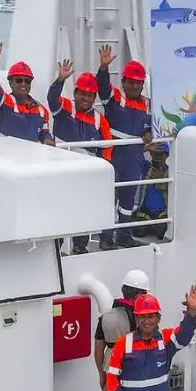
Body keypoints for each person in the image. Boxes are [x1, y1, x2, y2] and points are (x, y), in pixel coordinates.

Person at [47, 65, 117, 252]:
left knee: (83, 209)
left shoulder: (99, 119)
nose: (86, 98)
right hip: (62, 170)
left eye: (90, 95)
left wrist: (103, 168)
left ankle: (80, 245)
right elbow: (51, 99)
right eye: (82, 94)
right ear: (75, 93)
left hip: (86, 174)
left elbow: (107, 145)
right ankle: (57, 244)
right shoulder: (64, 108)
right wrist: (60, 80)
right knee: (61, 208)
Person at [95, 47, 153, 246]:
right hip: (114, 155)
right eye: (131, 82)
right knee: (109, 197)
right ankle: (105, 238)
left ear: (142, 84)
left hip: (134, 157)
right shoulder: (115, 98)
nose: (134, 86)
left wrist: (149, 132)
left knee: (128, 199)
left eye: (138, 83)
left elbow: (153, 125)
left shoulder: (148, 104)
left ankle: (124, 235)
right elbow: (102, 86)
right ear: (123, 82)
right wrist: (103, 67)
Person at [0, 35, 54, 143]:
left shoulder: (41, 110)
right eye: (19, 80)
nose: (23, 83)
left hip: (31, 159)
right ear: (10, 82)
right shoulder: (4, 103)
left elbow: (44, 132)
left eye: (27, 80)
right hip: (6, 157)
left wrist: (47, 139)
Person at [132, 141, 170, 240]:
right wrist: (147, 148)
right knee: (138, 231)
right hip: (146, 212)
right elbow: (134, 155)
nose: (156, 157)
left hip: (163, 212)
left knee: (161, 232)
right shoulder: (147, 167)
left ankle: (154, 226)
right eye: (154, 154)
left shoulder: (171, 171)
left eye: (160, 154)